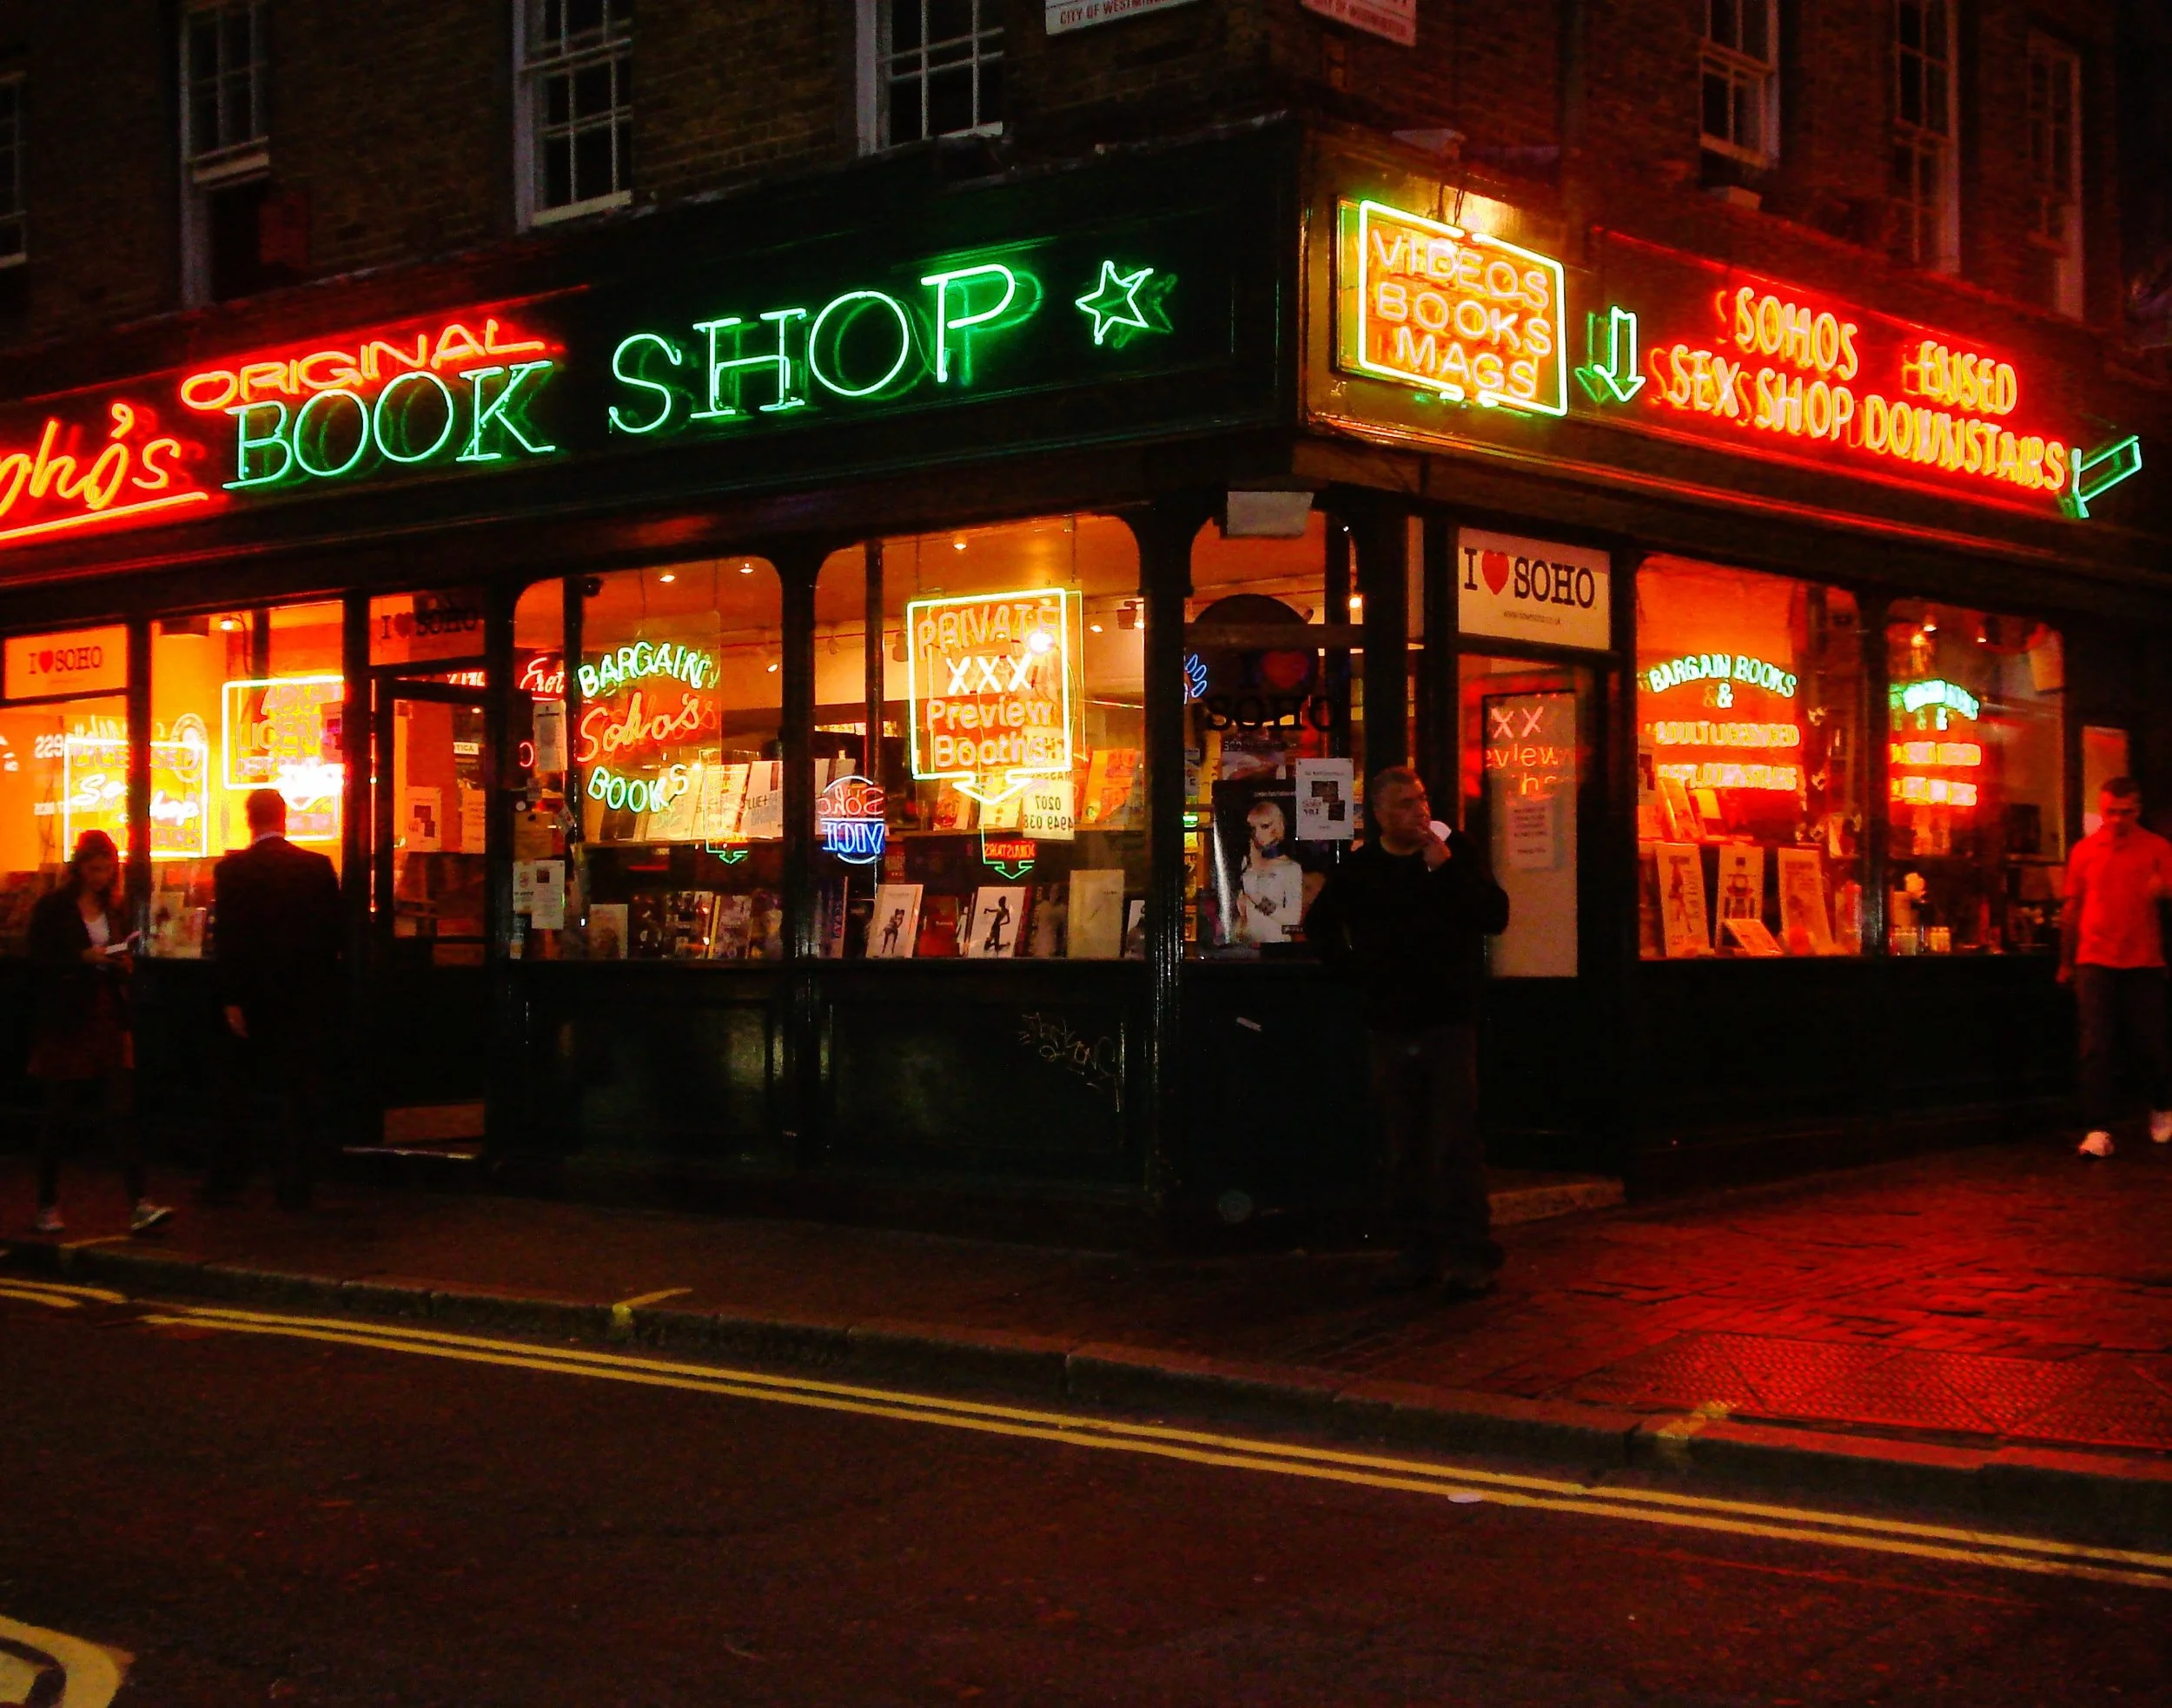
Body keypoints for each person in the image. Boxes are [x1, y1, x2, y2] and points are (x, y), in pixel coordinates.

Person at [1306, 767, 1510, 1293]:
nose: (1418, 812)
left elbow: (1494, 914)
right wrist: (1360, 976)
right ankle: (1416, 1250)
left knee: (1454, 1140)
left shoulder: (1452, 852)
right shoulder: (1363, 870)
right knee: (1404, 1141)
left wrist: (1444, 871)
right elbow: (1322, 927)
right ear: (1378, 815)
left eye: (1421, 799)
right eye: (1403, 804)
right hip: (1392, 1024)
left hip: (1447, 1020)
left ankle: (1469, 1254)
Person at [26, 830, 172, 1235]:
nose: (101, 876)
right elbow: (38, 959)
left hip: (106, 1016)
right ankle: (47, 1203)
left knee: (120, 1112)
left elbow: (119, 947)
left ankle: (140, 1202)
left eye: (107, 868)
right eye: (93, 869)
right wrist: (80, 957)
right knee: (58, 1114)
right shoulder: (55, 908)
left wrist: (120, 962)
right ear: (79, 868)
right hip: (68, 1019)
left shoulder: (114, 907)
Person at [208, 789, 345, 1208]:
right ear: (285, 818)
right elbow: (334, 932)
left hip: (252, 997)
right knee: (299, 1092)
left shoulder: (232, 872)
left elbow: (228, 939)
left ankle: (230, 1176)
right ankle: (295, 1182)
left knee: (237, 1090)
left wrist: (231, 999)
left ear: (251, 821)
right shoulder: (316, 868)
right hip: (303, 996)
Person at [2060, 776, 2172, 1158]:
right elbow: (2072, 907)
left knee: (2150, 1043)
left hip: (2142, 959)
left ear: (2138, 811)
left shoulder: (2157, 849)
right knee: (2095, 1046)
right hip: (2095, 957)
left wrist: (2163, 890)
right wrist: (2067, 960)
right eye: (2112, 812)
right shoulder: (2085, 851)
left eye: (2126, 812)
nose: (2119, 819)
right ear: (2102, 810)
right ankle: (2097, 1127)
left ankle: (2160, 1105)